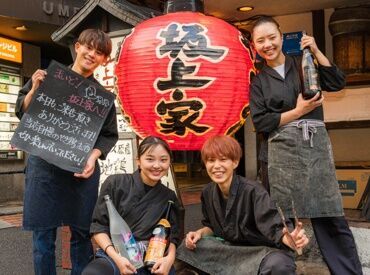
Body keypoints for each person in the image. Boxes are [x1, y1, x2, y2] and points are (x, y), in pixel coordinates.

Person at [249, 16, 363, 275]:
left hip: (312, 152)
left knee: (329, 214)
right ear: (254, 45)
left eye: (271, 37)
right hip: (278, 156)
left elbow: (336, 82)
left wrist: (315, 49)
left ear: (280, 36)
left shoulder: (302, 64)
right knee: (282, 218)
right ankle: (283, 270)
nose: (267, 44)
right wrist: (298, 111)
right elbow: (261, 121)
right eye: (260, 41)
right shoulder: (258, 81)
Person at [15, 29, 118, 275]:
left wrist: (93, 157)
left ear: (104, 60)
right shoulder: (49, 76)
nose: (92, 54)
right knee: (43, 237)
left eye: (100, 52)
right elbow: (23, 111)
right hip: (44, 167)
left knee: (81, 235)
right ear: (78, 47)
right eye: (89, 48)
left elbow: (108, 134)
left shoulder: (101, 98)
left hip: (80, 172)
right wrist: (33, 91)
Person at [176, 135, 309, 275]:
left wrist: (289, 238)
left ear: (235, 162)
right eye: (211, 160)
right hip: (231, 251)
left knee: (279, 265)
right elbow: (211, 226)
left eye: (223, 160)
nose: (216, 166)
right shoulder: (208, 192)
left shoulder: (254, 191)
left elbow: (273, 224)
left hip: (259, 252)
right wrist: (198, 233)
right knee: (186, 248)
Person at [82, 136, 180, 275]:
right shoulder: (115, 183)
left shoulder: (169, 197)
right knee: (93, 273)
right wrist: (117, 258)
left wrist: (169, 260)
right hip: (117, 253)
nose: (157, 165)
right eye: (150, 159)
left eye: (163, 160)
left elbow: (174, 237)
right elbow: (98, 227)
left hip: (152, 258)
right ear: (138, 161)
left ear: (169, 163)